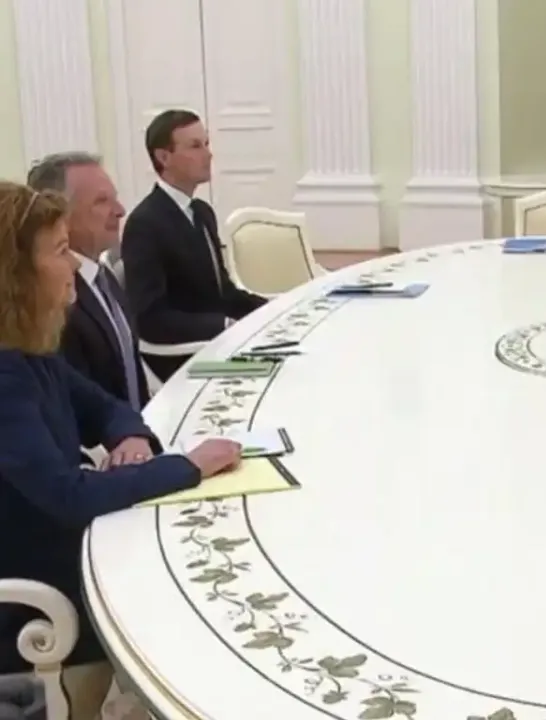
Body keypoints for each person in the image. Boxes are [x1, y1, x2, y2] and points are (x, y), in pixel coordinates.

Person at [0, 182, 242, 719]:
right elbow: (66, 495)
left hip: (66, 552)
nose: (73, 265)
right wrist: (187, 466)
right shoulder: (5, 374)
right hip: (35, 601)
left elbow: (103, 405)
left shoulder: (28, 347)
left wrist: (129, 436)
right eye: (60, 251)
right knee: (193, 600)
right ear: (14, 274)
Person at [120, 109, 266, 380]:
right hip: (185, 360)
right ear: (163, 157)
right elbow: (150, 318)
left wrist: (272, 309)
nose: (208, 154)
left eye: (206, 144)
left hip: (218, 344)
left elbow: (223, 292)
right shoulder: (144, 224)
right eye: (195, 146)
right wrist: (223, 325)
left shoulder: (202, 212)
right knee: (275, 373)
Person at [27, 152, 150, 410]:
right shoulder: (54, 297)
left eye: (114, 198)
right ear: (60, 215)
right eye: (101, 201)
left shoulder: (104, 277)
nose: (120, 211)